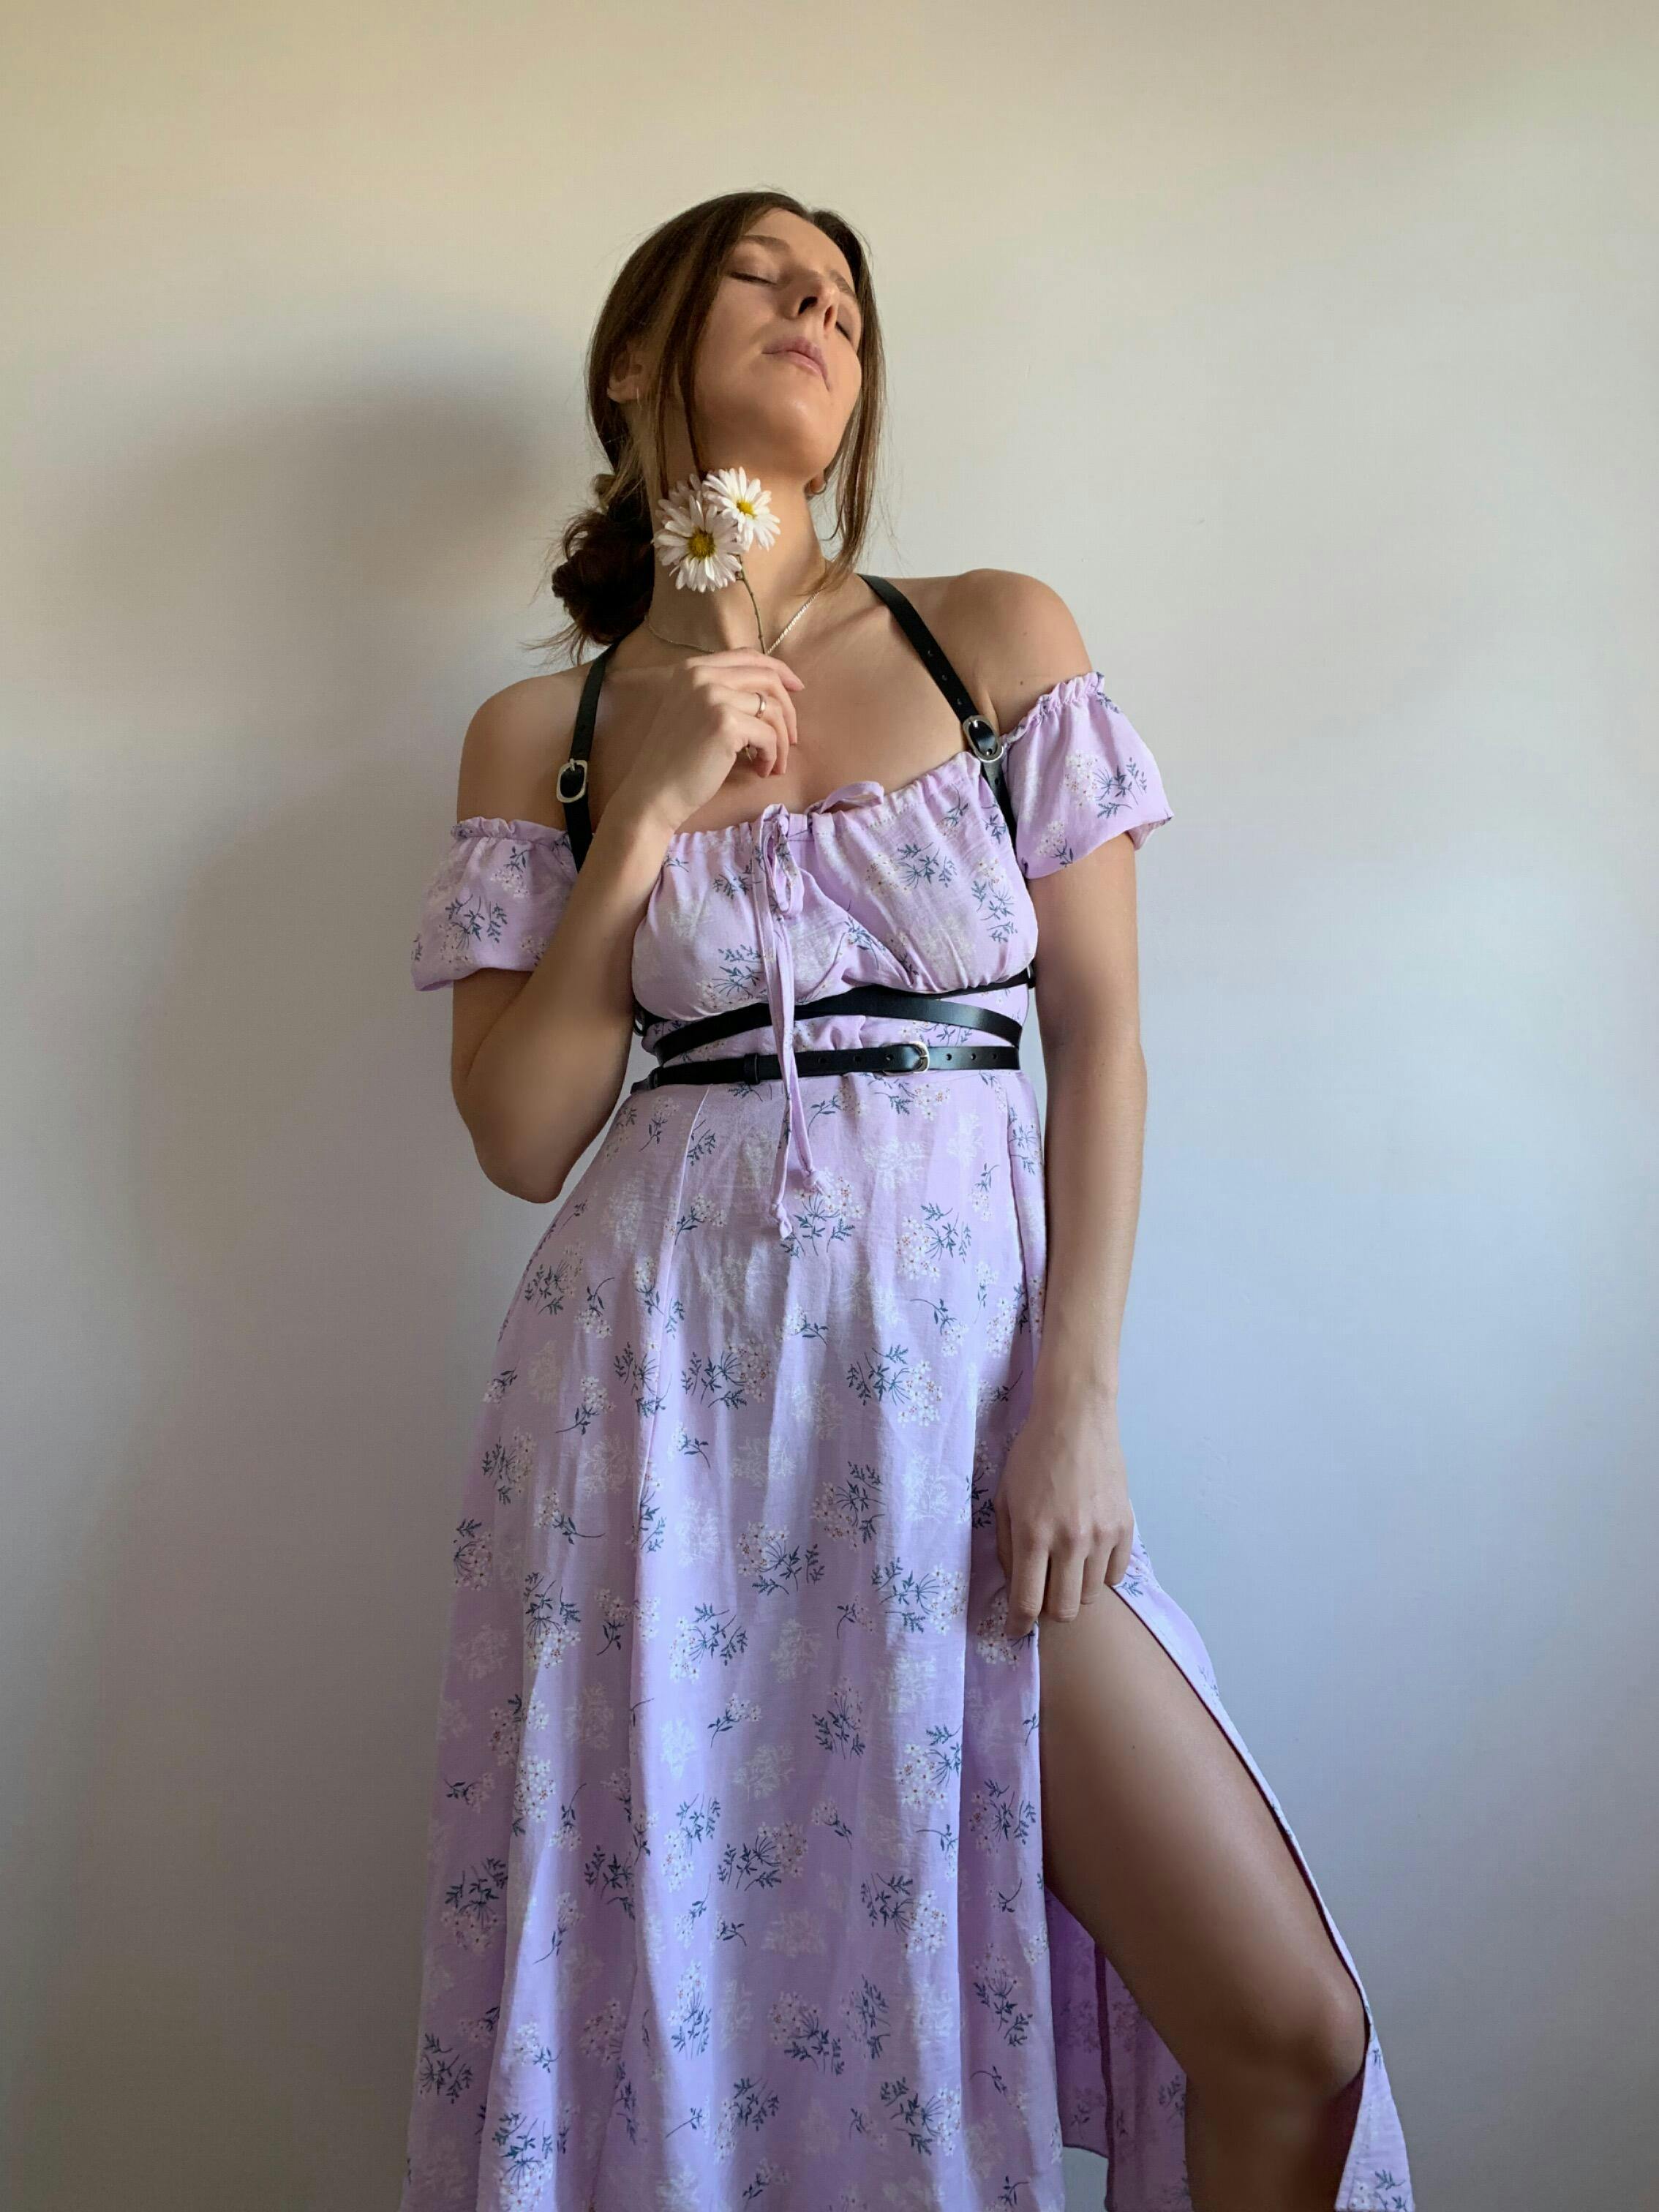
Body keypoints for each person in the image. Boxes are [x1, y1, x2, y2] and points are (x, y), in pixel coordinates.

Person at [398, 190, 1415, 2212]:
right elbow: (521, 1135)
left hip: (966, 1412)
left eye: (847, 303)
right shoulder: (546, 733)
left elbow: (1102, 1042)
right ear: (637, 356)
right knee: (714, 2006)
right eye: (767, 277)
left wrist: (1076, 1404)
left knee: (1283, 2031)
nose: (819, 310)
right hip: (658, 1433)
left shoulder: (991, 638)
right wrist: (644, 812)